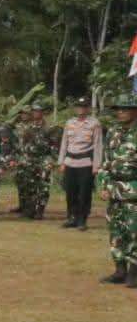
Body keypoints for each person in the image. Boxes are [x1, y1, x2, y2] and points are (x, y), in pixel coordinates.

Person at [97, 95, 137, 287]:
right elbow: (105, 161)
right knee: (116, 230)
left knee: (134, 231)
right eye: (118, 109)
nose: (121, 112)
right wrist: (103, 184)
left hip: (134, 190)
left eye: (125, 108)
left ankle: (134, 273)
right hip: (114, 190)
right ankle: (120, 270)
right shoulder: (113, 131)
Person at [58, 97, 102, 230]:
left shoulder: (94, 124)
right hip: (70, 162)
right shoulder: (69, 123)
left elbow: (98, 145)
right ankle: (72, 217)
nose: (81, 109)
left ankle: (82, 219)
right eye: (78, 106)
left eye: (83, 107)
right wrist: (61, 162)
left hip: (86, 162)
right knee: (70, 192)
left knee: (84, 193)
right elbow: (64, 143)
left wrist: (96, 165)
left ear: (88, 108)